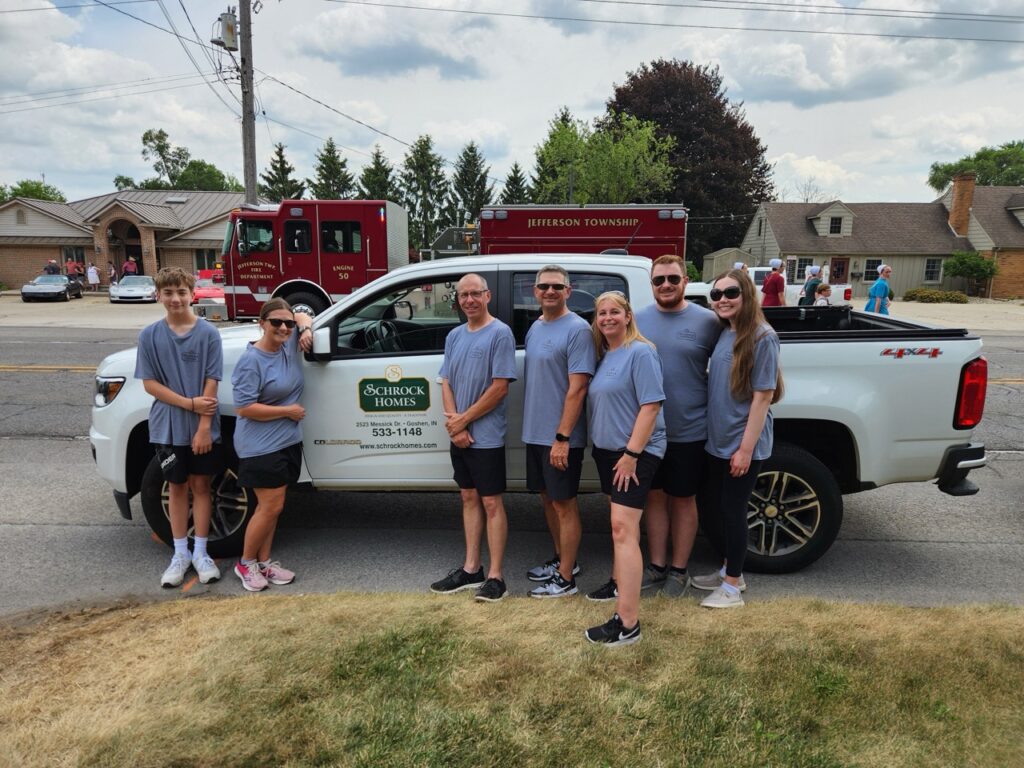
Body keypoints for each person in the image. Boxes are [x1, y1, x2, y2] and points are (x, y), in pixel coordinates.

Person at [690, 269, 783, 609]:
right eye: (716, 295)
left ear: (746, 294)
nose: (723, 300)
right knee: (716, 508)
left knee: (733, 511)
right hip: (718, 439)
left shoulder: (762, 336)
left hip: (742, 443)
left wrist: (745, 450)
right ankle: (731, 571)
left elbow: (763, 397)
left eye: (731, 293)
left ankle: (731, 590)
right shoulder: (726, 331)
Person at [633, 255, 722, 597]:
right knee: (654, 498)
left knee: (683, 499)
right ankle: (657, 566)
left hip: (690, 429)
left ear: (685, 281)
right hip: (649, 431)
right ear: (651, 284)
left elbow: (732, 360)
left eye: (673, 278)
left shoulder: (708, 321)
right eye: (659, 280)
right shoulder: (636, 320)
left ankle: (679, 571)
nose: (666, 285)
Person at [134, 267, 224, 588]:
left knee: (202, 486)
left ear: (192, 294)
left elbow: (212, 380)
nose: (176, 299)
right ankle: (180, 553)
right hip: (167, 427)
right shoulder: (149, 336)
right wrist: (189, 404)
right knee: (176, 487)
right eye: (169, 293)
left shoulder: (209, 334)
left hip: (201, 426)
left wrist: (204, 427)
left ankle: (201, 552)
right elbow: (150, 384)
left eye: (181, 292)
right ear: (158, 295)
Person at [585, 292, 666, 646]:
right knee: (620, 527)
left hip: (634, 453)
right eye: (601, 313)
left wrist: (632, 453)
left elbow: (651, 406)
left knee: (623, 529)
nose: (607, 318)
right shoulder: (606, 354)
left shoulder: (641, 352)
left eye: (614, 312)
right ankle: (619, 584)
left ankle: (628, 623)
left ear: (628, 316)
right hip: (608, 453)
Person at [430, 274, 517, 602]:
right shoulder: (454, 336)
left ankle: (496, 576)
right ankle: (471, 569)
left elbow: (500, 387)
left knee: (491, 502)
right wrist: (456, 425)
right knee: (468, 497)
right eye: (463, 295)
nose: (469, 300)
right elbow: (446, 381)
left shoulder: (500, 333)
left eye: (475, 294)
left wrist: (464, 421)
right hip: (460, 433)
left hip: (487, 436)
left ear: (487, 296)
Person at [522, 265, 596, 598]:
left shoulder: (578, 330)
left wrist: (563, 438)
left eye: (556, 286)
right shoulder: (536, 327)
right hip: (535, 433)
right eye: (544, 286)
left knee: (564, 504)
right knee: (548, 500)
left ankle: (566, 580)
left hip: (560, 437)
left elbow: (578, 388)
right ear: (535, 291)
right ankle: (563, 560)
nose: (549, 291)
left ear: (569, 290)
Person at [230, 298, 313, 591]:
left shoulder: (286, 345)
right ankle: (245, 563)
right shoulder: (251, 360)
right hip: (260, 446)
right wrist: (287, 411)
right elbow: (244, 407)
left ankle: (264, 562)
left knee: (274, 508)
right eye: (276, 322)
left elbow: (303, 312)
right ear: (261, 323)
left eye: (287, 323)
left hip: (286, 442)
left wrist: (304, 328)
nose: (283, 327)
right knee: (269, 506)